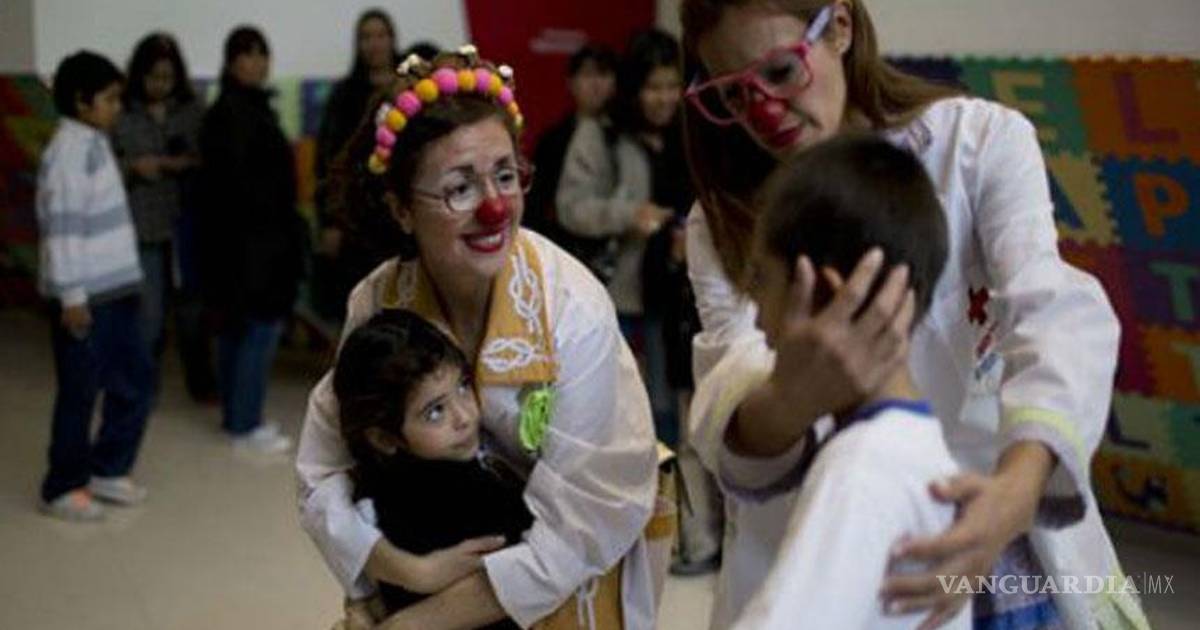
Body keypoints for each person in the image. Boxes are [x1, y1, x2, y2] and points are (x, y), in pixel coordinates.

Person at [678, 1, 1149, 628]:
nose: (763, 112)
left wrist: (1016, 489)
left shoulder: (972, 145)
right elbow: (733, 372)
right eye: (734, 95)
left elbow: (1052, 312)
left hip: (1002, 544)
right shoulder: (724, 218)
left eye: (781, 72)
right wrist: (791, 395)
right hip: (868, 567)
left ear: (840, 26)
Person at [297, 47, 668, 630]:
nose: (496, 209)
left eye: (505, 176)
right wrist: (393, 573)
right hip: (428, 565)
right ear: (401, 209)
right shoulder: (377, 302)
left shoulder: (572, 312)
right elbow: (324, 467)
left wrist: (413, 624)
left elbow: (577, 532)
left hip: (567, 579)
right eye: (460, 188)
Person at [731, 134, 968, 628]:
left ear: (825, 293)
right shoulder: (912, 446)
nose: (755, 318)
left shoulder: (862, 469)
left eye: (761, 282)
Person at [333, 309, 532, 628]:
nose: (464, 417)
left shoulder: (371, 488)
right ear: (384, 438)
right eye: (435, 412)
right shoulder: (477, 497)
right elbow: (549, 552)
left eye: (463, 386)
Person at [556, 29, 689, 447]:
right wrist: (629, 215)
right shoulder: (602, 133)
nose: (664, 98)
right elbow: (571, 206)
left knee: (670, 410)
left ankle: (668, 486)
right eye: (654, 87)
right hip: (624, 292)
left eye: (672, 86)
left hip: (677, 292)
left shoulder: (686, 131)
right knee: (626, 414)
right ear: (633, 87)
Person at [36, 50, 153, 520]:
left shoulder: (95, 141)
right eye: (109, 100)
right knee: (80, 392)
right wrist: (71, 296)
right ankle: (63, 485)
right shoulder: (68, 152)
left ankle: (108, 467)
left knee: (134, 380)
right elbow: (62, 228)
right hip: (85, 298)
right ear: (82, 103)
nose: (117, 108)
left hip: (117, 290)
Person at [199, 26, 305, 454]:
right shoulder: (234, 113)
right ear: (231, 61)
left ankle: (236, 416)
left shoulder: (246, 107)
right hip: (253, 243)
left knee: (238, 328)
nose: (257, 62)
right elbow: (242, 185)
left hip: (246, 241)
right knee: (258, 329)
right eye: (247, 53)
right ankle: (245, 422)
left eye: (262, 53)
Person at [112, 32, 208, 395]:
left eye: (168, 77)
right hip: (141, 225)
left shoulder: (192, 109)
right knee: (148, 315)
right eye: (153, 77)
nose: (160, 85)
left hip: (185, 223)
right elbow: (106, 167)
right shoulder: (121, 111)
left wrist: (180, 163)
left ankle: (200, 382)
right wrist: (134, 168)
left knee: (192, 310)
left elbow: (209, 158)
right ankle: (143, 387)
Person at [314, 9, 403, 323]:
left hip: (403, 214)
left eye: (381, 35)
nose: (374, 44)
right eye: (366, 37)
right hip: (358, 220)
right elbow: (328, 161)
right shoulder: (344, 95)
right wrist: (330, 221)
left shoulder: (411, 87)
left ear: (392, 39)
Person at [524, 44, 617, 247]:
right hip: (564, 243)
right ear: (571, 83)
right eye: (588, 75)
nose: (596, 84)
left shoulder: (623, 135)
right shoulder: (553, 140)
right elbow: (537, 203)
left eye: (603, 75)